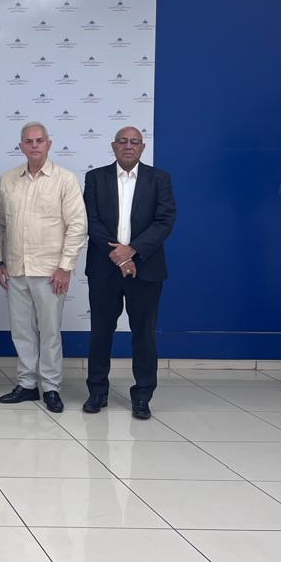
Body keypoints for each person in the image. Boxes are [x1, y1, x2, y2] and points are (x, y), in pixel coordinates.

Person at [0, 121, 88, 414]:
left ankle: (51, 387)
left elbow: (77, 226)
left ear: (49, 144)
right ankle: (27, 384)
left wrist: (65, 267)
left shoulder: (65, 180)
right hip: (15, 269)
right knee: (21, 331)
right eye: (28, 141)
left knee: (49, 332)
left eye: (39, 140)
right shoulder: (8, 180)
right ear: (21, 146)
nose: (34, 145)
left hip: (50, 271)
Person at [83, 126, 176, 420]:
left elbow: (165, 220)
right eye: (122, 141)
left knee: (144, 335)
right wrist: (119, 256)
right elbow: (90, 220)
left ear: (142, 147)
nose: (128, 146)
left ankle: (143, 396)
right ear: (113, 146)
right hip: (104, 268)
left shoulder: (159, 178)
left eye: (134, 142)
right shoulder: (95, 178)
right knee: (101, 332)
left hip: (146, 269)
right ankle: (97, 392)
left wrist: (132, 250)